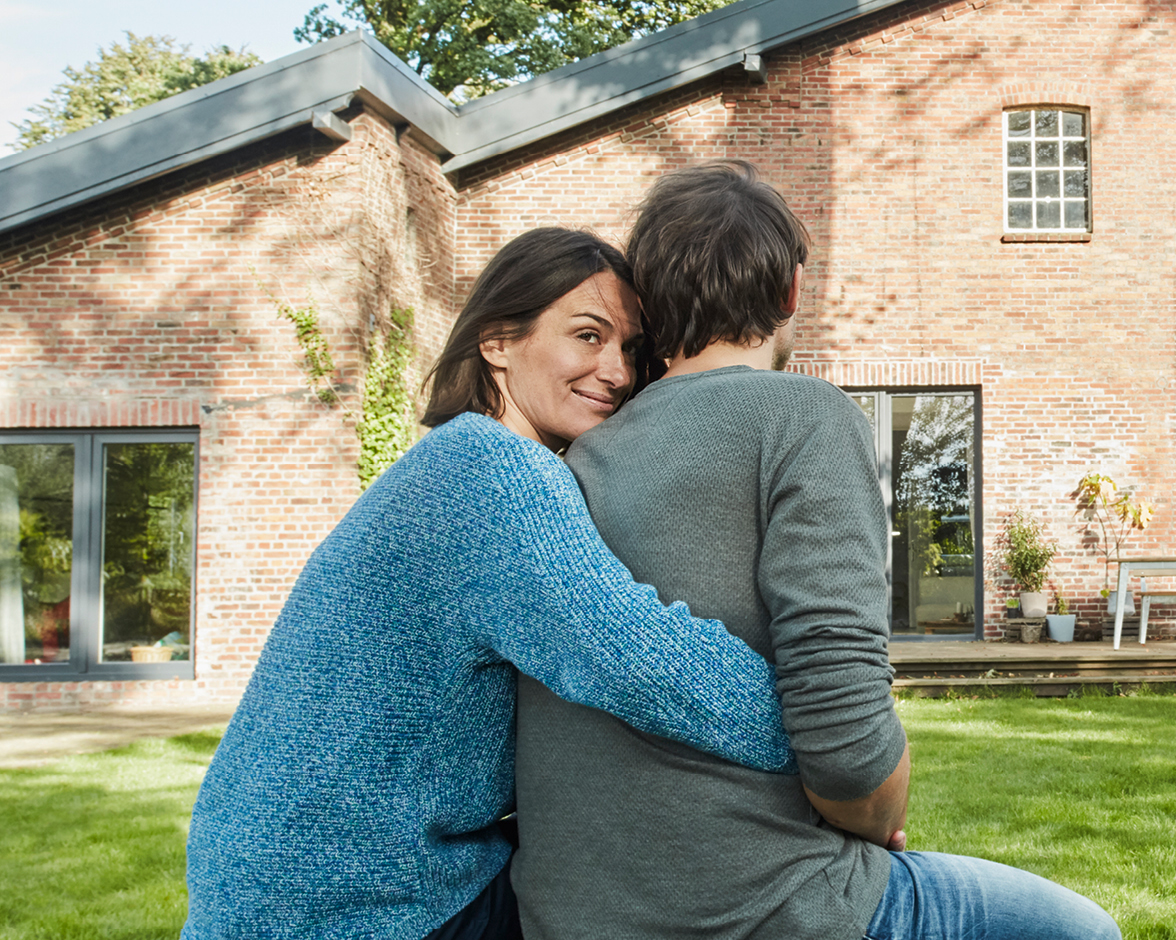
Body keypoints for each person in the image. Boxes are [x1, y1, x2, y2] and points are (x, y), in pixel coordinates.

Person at [512, 162, 1121, 940]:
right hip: (761, 910)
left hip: (571, 915)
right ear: (792, 291)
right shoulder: (805, 417)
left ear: (650, 302)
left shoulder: (578, 455)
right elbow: (843, 736)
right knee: (1081, 931)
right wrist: (878, 807)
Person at [182, 227, 797, 940]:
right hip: (353, 901)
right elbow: (638, 658)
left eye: (630, 348)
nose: (618, 372)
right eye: (588, 336)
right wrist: (830, 744)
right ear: (497, 341)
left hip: (281, 883)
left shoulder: (450, 461)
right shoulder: (493, 472)